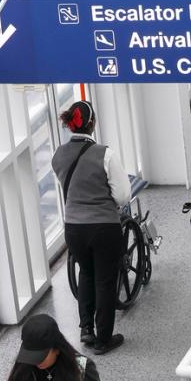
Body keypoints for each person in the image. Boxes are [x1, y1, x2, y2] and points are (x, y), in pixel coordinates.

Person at [51, 99, 129, 355]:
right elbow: (122, 197)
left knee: (86, 273)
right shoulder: (106, 154)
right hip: (103, 226)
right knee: (106, 281)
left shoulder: (58, 155)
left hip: (73, 227)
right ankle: (104, 339)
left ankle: (86, 329)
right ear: (92, 124)